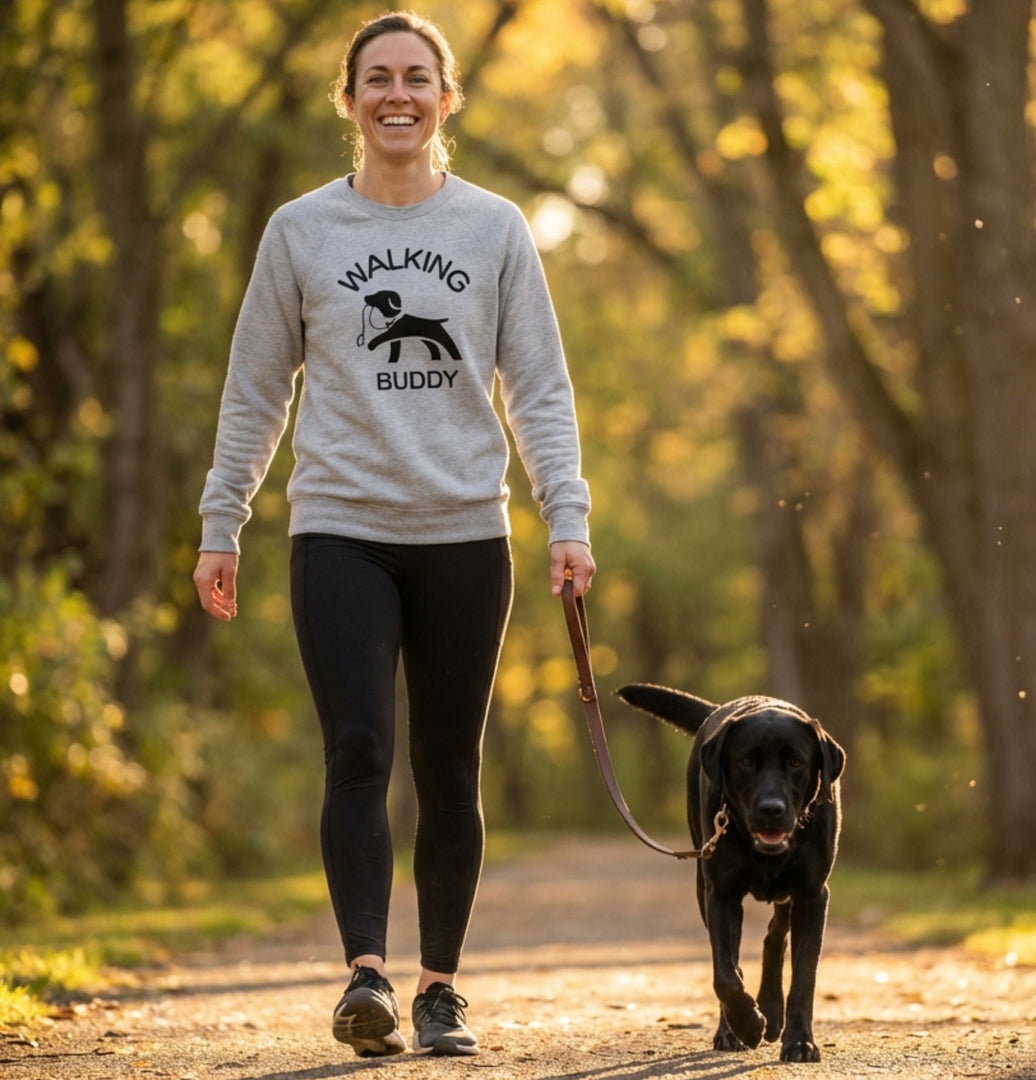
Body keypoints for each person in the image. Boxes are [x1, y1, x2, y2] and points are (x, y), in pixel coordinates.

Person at [192, 9, 595, 1061]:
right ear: (350, 99)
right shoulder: (300, 231)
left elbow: (539, 389)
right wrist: (220, 520)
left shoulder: (497, 228)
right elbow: (254, 392)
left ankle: (441, 989)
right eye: (377, 78)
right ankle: (365, 972)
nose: (398, 95)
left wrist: (569, 516)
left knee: (450, 765)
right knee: (359, 748)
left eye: (418, 77)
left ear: (447, 97)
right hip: (342, 529)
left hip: (465, 531)